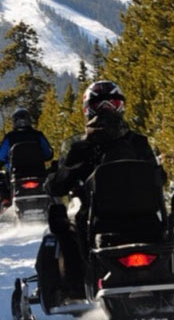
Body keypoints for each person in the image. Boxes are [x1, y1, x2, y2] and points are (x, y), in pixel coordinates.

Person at [43, 80, 162, 297]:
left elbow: (157, 177)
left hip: (105, 220)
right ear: (89, 109)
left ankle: (73, 289)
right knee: (65, 228)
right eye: (101, 105)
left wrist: (62, 177)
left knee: (65, 231)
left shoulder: (132, 143)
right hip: (140, 218)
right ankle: (78, 285)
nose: (107, 110)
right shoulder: (135, 143)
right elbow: (158, 176)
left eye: (113, 103)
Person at [0, 108, 53, 218]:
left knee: (0, 184)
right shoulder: (37, 135)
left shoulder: (10, 137)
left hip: (16, 175)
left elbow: (0, 156)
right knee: (53, 180)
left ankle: (4, 205)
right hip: (38, 173)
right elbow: (48, 154)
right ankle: (54, 203)